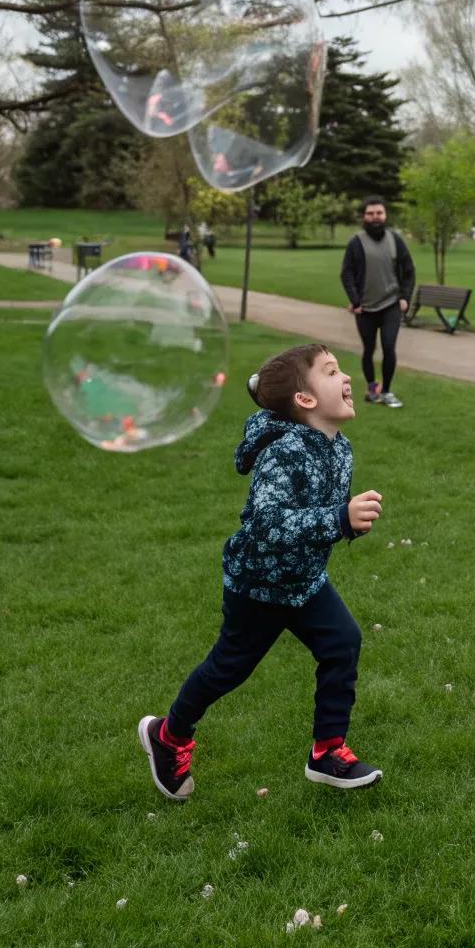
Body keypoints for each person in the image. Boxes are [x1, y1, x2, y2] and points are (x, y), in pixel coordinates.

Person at [138, 343, 384, 800]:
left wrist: (348, 522)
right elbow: (269, 523)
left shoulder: (340, 447)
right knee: (227, 669)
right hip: (259, 584)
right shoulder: (284, 452)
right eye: (331, 372)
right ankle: (168, 737)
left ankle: (327, 752)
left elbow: (319, 517)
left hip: (303, 580)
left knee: (343, 642)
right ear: (305, 400)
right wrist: (337, 519)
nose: (346, 377)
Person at [340, 197, 416, 409]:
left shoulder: (395, 240)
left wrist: (404, 298)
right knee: (368, 348)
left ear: (385, 215)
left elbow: (409, 271)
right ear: (364, 217)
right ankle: (372, 388)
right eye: (370, 213)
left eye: (379, 213)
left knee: (389, 347)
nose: (375, 217)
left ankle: (387, 391)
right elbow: (347, 274)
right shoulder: (356, 242)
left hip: (391, 304)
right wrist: (355, 301)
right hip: (365, 308)